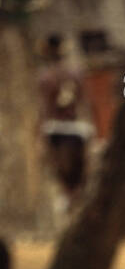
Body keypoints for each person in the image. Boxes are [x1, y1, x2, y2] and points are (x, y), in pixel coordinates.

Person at [37, 35, 94, 216]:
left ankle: (66, 196)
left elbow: (44, 107)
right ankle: (76, 195)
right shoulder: (76, 73)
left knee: (53, 165)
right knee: (84, 165)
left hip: (54, 127)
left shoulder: (45, 76)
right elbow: (84, 101)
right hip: (76, 127)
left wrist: (38, 132)